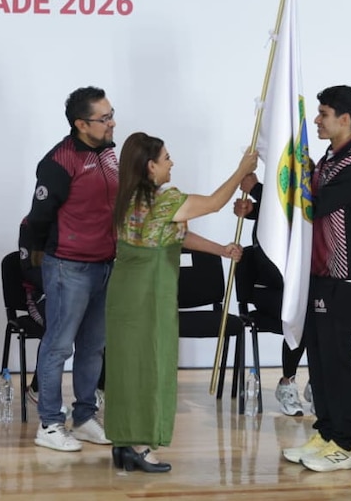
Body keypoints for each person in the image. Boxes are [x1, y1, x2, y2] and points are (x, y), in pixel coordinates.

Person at [104, 132, 255, 472]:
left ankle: (124, 443)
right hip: (149, 294)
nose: (172, 163)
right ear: (150, 166)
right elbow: (214, 203)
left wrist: (220, 250)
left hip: (124, 294)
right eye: (166, 158)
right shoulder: (165, 200)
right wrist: (241, 169)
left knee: (126, 367)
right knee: (151, 364)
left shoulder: (129, 198)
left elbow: (178, 234)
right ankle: (142, 446)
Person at [282, 85, 351, 473]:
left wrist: (280, 184)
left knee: (337, 359)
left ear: (345, 119)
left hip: (343, 274)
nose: (317, 121)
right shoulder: (328, 160)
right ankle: (326, 431)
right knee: (319, 358)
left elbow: (315, 206)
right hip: (320, 272)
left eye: (323, 114)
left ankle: (345, 444)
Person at [27, 86, 118, 452]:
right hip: (69, 267)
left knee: (93, 347)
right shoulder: (59, 161)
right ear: (81, 124)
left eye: (112, 114)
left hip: (105, 266)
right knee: (58, 347)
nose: (112, 123)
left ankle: (83, 419)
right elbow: (38, 218)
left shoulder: (109, 152)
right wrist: (46, 263)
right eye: (104, 118)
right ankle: (49, 424)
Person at [232, 178, 307, 417]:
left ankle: (317, 383)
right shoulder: (276, 205)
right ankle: (287, 383)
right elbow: (279, 208)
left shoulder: (299, 207)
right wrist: (254, 202)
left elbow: (292, 211)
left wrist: (255, 195)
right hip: (267, 289)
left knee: (318, 314)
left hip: (296, 287)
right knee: (300, 315)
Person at [17, 218, 106, 408]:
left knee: (96, 327)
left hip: (78, 291)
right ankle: (38, 389)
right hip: (42, 294)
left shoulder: (81, 220)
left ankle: (98, 388)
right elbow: (28, 269)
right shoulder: (30, 224)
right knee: (59, 327)